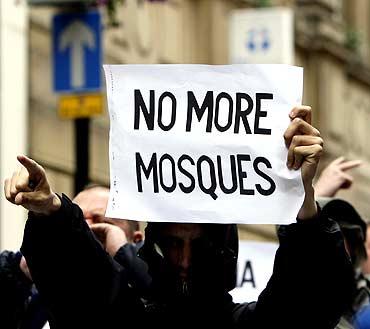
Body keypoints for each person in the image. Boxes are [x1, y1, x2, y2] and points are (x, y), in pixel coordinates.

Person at [4, 106, 354, 329]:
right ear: (153, 243)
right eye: (172, 244)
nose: (185, 261)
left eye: (198, 245)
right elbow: (81, 289)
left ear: (222, 248)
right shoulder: (121, 318)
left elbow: (307, 303)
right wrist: (51, 211)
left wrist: (303, 195)